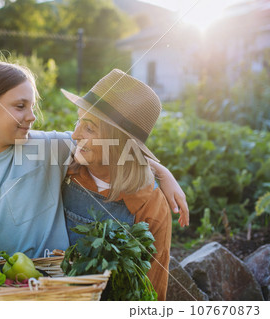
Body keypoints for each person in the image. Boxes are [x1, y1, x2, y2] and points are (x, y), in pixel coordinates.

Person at [0, 61, 187, 264]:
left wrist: (162, 173)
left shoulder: (46, 147)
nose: (32, 116)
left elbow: (112, 144)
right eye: (20, 106)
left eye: (32, 106)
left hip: (53, 289)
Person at [60, 69, 175, 300]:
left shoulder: (149, 204)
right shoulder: (66, 170)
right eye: (78, 121)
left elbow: (150, 292)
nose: (74, 134)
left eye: (89, 128)